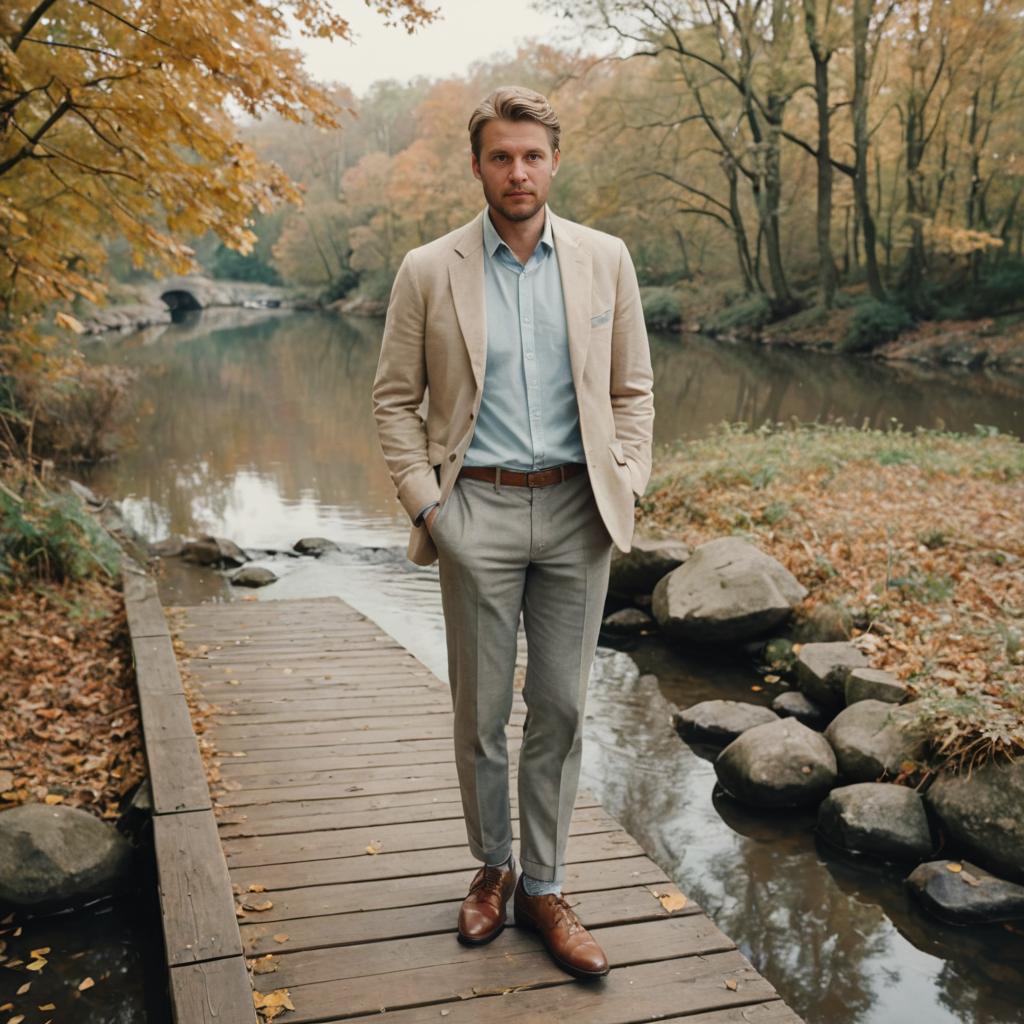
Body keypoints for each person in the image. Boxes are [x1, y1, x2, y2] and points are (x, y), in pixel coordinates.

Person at [371, 85, 654, 979]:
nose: (518, 171)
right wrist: (430, 508)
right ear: (478, 165)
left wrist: (628, 481)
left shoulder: (606, 259)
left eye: (532, 155)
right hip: (476, 510)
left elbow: (632, 390)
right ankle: (492, 869)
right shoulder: (429, 267)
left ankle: (548, 885)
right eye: (501, 156)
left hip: (579, 512)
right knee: (483, 713)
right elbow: (393, 401)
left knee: (563, 709)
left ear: (555, 160)